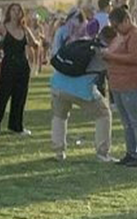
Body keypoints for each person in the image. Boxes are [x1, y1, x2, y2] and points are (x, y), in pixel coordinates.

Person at [48, 15, 114, 163]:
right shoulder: (103, 53)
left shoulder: (82, 41)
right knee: (103, 114)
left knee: (59, 116)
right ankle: (102, 153)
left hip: (57, 84)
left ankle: (59, 152)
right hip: (80, 89)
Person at [101, 5, 137, 166]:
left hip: (134, 84)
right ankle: (131, 153)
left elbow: (136, 58)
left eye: (117, 26)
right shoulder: (121, 36)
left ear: (127, 20)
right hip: (120, 85)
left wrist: (111, 56)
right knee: (127, 123)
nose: (115, 30)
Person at [0, 2, 39, 136]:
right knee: (3, 96)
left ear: (21, 13)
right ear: (9, 12)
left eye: (18, 10)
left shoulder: (24, 29)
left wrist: (34, 41)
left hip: (22, 66)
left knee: (20, 97)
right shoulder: (3, 28)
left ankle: (16, 126)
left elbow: (34, 44)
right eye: (13, 10)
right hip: (8, 64)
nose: (16, 13)